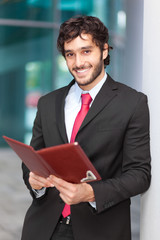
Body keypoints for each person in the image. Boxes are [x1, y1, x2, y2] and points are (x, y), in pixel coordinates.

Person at [21, 15, 151, 240]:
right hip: (42, 229)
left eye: (86, 51)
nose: (78, 62)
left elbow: (139, 174)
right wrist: (34, 181)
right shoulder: (48, 103)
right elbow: (33, 160)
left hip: (101, 230)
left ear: (104, 50)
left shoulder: (133, 102)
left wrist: (91, 193)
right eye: (70, 54)